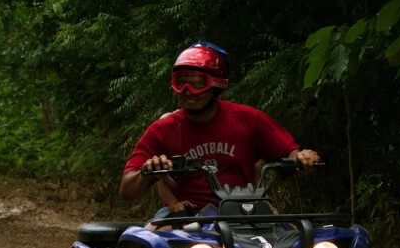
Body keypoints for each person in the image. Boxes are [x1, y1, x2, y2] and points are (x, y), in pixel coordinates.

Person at [120, 41, 320, 220]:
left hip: (245, 212)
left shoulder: (248, 119)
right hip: (184, 215)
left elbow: (290, 155)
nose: (187, 90)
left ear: (217, 84)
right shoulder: (162, 129)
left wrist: (302, 158)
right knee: (143, 242)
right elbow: (127, 190)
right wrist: (147, 173)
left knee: (299, 243)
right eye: (181, 82)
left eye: (197, 82)